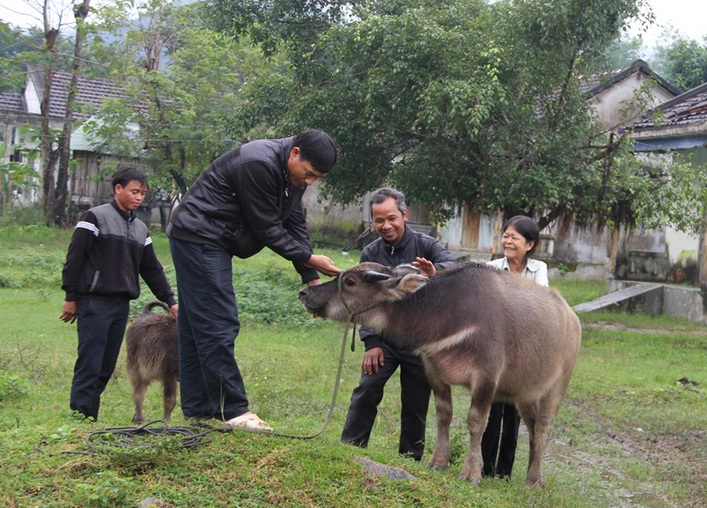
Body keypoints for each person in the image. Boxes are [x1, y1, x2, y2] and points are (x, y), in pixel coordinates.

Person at [166, 130, 341, 431]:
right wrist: (310, 259)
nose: (310, 182)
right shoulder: (258, 163)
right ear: (295, 153)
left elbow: (293, 221)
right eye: (310, 174)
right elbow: (266, 227)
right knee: (217, 319)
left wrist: (312, 280)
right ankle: (233, 410)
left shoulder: (291, 176)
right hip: (200, 235)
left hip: (209, 238)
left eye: (317, 178)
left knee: (195, 325)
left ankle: (198, 410)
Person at [342, 186, 456, 458]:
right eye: (378, 220)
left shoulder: (427, 245)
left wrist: (435, 272)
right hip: (385, 338)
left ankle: (410, 458)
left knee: (416, 402)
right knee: (367, 389)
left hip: (420, 341)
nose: (385, 225)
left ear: (404, 214)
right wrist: (371, 343)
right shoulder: (370, 251)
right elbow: (363, 301)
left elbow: (453, 268)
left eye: (391, 218)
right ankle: (349, 450)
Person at [61, 167, 178, 421]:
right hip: (94, 302)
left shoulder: (139, 228)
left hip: (120, 306)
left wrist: (170, 301)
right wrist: (71, 297)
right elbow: (75, 258)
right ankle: (80, 419)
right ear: (118, 189)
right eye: (134, 191)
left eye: (142, 193)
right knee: (90, 362)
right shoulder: (94, 218)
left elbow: (151, 269)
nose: (139, 197)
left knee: (105, 366)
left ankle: (88, 416)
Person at [482, 215, 548, 478]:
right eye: (505, 236)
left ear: (529, 244)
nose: (507, 241)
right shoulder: (490, 268)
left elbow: (539, 302)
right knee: (491, 406)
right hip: (495, 348)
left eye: (514, 237)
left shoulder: (538, 269)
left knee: (514, 413)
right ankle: (485, 467)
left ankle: (504, 472)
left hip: (523, 352)